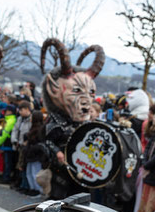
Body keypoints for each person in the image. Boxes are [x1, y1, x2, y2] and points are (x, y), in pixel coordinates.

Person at [41, 41, 105, 199]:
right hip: (60, 175)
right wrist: (57, 153)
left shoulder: (87, 123)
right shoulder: (55, 121)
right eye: (76, 91)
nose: (86, 100)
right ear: (53, 89)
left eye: (91, 93)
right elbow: (47, 142)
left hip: (82, 175)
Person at [23, 110, 47, 196]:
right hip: (31, 153)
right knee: (29, 172)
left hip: (36, 154)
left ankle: (38, 190)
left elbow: (39, 143)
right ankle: (32, 188)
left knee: (35, 173)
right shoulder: (33, 128)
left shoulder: (40, 129)